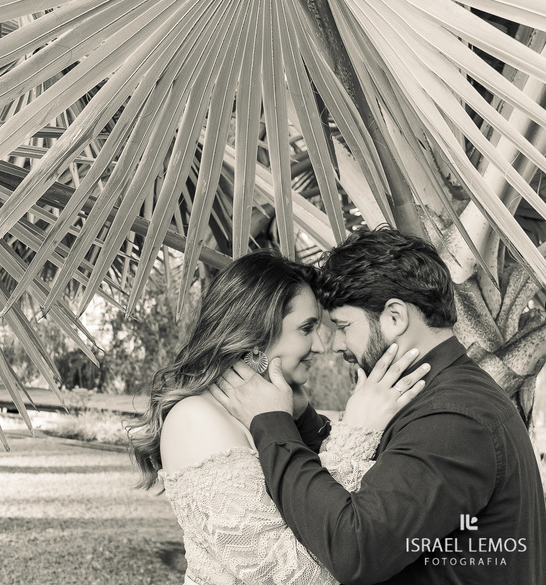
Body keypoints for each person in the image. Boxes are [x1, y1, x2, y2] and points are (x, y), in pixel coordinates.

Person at [213, 228, 546, 584]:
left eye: (343, 326)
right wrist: (303, 420)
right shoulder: (442, 399)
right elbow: (385, 490)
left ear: (395, 317)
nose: (335, 345)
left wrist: (273, 425)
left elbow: (355, 549)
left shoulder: (453, 418)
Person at [129, 249, 428, 584]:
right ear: (257, 332)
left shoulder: (275, 409)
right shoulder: (197, 419)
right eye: (307, 328)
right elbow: (287, 576)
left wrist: (299, 420)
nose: (321, 346)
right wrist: (356, 434)